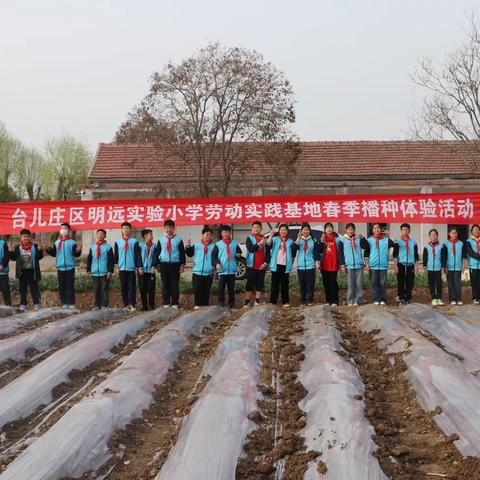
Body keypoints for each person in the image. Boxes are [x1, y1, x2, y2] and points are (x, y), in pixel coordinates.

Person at [46, 223, 81, 309]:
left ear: (68, 230)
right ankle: (64, 303)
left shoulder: (73, 243)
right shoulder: (57, 242)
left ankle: (71, 303)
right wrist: (48, 249)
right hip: (60, 267)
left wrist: (78, 251)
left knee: (70, 286)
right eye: (61, 228)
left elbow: (76, 254)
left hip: (70, 267)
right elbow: (54, 253)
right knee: (62, 286)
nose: (63, 230)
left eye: (65, 228)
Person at [10, 229, 44, 311]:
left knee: (34, 288)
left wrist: (40, 250)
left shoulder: (34, 246)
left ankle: (37, 304)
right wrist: (10, 252)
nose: (26, 238)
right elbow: (14, 258)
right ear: (21, 238)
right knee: (23, 289)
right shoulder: (18, 247)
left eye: (27, 236)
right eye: (24, 237)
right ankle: (23, 304)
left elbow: (39, 257)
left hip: (32, 271)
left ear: (30, 237)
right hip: (22, 271)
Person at [155, 219, 186, 309]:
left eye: (170, 228)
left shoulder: (178, 240)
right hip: (164, 264)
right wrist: (157, 264)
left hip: (175, 264)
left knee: (174, 284)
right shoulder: (160, 240)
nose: (168, 230)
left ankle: (175, 303)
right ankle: (166, 302)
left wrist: (182, 265)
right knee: (165, 284)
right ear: (164, 228)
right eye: (167, 228)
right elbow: (157, 253)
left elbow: (182, 253)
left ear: (173, 228)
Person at [337, 223, 369, 306]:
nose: (350, 231)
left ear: (354, 230)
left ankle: (357, 301)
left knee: (359, 284)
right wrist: (342, 265)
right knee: (350, 284)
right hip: (349, 265)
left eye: (352, 229)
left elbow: (366, 246)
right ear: (346, 230)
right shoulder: (342, 240)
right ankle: (350, 301)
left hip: (359, 265)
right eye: (349, 229)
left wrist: (363, 238)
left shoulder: (358, 239)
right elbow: (340, 253)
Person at [266, 224, 296, 307]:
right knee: (274, 284)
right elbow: (268, 245)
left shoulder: (290, 241)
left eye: (285, 230)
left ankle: (285, 302)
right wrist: (271, 235)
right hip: (276, 265)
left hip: (285, 266)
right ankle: (273, 301)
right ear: (279, 231)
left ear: (287, 231)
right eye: (282, 230)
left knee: (285, 285)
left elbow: (294, 252)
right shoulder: (275, 239)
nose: (283, 231)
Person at [212, 225, 242, 309]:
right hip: (222, 270)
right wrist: (217, 263)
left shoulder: (234, 243)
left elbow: (239, 252)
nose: (226, 234)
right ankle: (221, 302)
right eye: (224, 232)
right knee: (221, 288)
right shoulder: (218, 244)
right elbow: (214, 257)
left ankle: (232, 303)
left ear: (230, 233)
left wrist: (238, 254)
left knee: (231, 288)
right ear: (221, 233)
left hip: (232, 270)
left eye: (227, 232)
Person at [185, 226, 216, 309]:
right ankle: (197, 306)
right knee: (197, 290)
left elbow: (216, 258)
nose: (208, 236)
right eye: (206, 234)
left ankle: (205, 307)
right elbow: (189, 254)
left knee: (206, 291)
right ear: (202, 235)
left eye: (210, 235)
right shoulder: (197, 245)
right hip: (197, 272)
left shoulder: (214, 247)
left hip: (208, 273)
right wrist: (188, 246)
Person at [114, 222, 141, 311]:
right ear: (121, 230)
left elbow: (137, 255)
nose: (125, 230)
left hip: (131, 268)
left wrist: (137, 267)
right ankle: (126, 304)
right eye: (124, 228)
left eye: (127, 228)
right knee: (123, 287)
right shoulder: (117, 242)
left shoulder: (134, 241)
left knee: (132, 287)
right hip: (122, 268)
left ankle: (133, 305)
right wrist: (116, 267)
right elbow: (116, 255)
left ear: (130, 230)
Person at [365, 223, 395, 306]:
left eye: (378, 228)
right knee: (374, 283)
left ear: (381, 230)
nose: (376, 230)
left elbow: (394, 243)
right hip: (373, 265)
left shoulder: (386, 240)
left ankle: (383, 299)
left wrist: (389, 234)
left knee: (383, 283)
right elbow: (366, 253)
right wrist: (366, 264)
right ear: (372, 230)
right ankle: (376, 299)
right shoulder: (369, 240)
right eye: (375, 228)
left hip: (383, 265)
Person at [293, 223, 322, 306]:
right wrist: (298, 237)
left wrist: (317, 262)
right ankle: (302, 300)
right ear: (301, 231)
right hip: (301, 266)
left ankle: (310, 300)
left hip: (310, 265)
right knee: (302, 284)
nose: (306, 231)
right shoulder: (299, 240)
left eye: (307, 229)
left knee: (310, 284)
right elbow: (294, 248)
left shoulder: (313, 240)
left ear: (309, 231)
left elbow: (316, 252)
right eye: (304, 230)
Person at [86, 229, 114, 310]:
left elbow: (111, 260)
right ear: (96, 235)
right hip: (95, 271)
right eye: (98, 234)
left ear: (105, 236)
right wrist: (88, 269)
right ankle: (97, 305)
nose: (100, 235)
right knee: (96, 289)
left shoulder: (108, 247)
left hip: (104, 272)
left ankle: (104, 305)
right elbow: (89, 259)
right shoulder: (93, 247)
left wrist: (110, 271)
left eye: (102, 234)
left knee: (104, 289)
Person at [393, 223, 419, 305]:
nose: (405, 231)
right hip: (401, 264)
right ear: (401, 231)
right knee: (400, 282)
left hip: (410, 264)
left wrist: (416, 265)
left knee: (410, 282)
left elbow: (416, 254)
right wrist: (395, 265)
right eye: (404, 229)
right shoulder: (398, 241)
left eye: (407, 229)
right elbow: (395, 254)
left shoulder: (413, 242)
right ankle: (401, 298)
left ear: (410, 231)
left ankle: (408, 298)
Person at [244, 221, 268, 308]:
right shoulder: (249, 238)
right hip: (251, 266)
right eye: (254, 227)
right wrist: (259, 244)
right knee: (249, 284)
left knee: (260, 284)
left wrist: (265, 264)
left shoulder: (265, 239)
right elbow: (251, 249)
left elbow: (268, 252)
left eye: (258, 227)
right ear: (252, 229)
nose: (256, 229)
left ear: (261, 229)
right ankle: (246, 302)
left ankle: (257, 301)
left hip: (262, 266)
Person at [441, 226, 466, 306]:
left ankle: (458, 299)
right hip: (449, 267)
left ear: (457, 233)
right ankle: (452, 299)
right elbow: (444, 257)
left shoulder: (461, 243)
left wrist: (463, 266)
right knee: (450, 283)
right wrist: (445, 267)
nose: (454, 235)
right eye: (452, 233)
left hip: (458, 266)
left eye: (455, 233)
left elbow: (463, 256)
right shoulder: (445, 244)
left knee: (458, 283)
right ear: (449, 234)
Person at [422, 228, 445, 306]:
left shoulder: (441, 246)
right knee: (431, 283)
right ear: (429, 236)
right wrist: (425, 267)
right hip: (430, 268)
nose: (433, 236)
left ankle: (439, 298)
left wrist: (443, 267)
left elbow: (443, 257)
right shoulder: (426, 247)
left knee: (439, 283)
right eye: (432, 235)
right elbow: (425, 258)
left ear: (437, 236)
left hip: (438, 268)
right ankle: (434, 298)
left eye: (435, 235)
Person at [320, 222, 340, 307]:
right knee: (326, 283)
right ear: (325, 230)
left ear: (332, 229)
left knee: (333, 283)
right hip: (324, 265)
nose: (329, 229)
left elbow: (340, 250)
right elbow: (319, 250)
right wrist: (321, 241)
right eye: (327, 227)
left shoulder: (337, 238)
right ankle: (328, 300)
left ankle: (335, 301)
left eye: (330, 227)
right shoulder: (322, 238)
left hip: (334, 265)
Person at [138, 229, 157, 311]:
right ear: (145, 236)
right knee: (142, 288)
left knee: (151, 288)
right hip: (142, 271)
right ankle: (144, 305)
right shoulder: (140, 246)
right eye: (150, 235)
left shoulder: (155, 246)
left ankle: (152, 305)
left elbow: (155, 257)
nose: (152, 236)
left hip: (151, 271)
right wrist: (140, 267)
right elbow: (138, 257)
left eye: (152, 235)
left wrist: (153, 266)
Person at [466, 224, 480, 305]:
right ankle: (475, 298)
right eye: (475, 229)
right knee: (474, 282)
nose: (477, 231)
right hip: (473, 265)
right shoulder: (469, 241)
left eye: (478, 229)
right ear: (472, 231)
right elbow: (470, 252)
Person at [0, 237, 11, 306]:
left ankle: (8, 304)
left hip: (2, 270)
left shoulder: (3, 243)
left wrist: (2, 265)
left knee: (5, 288)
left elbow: (7, 256)